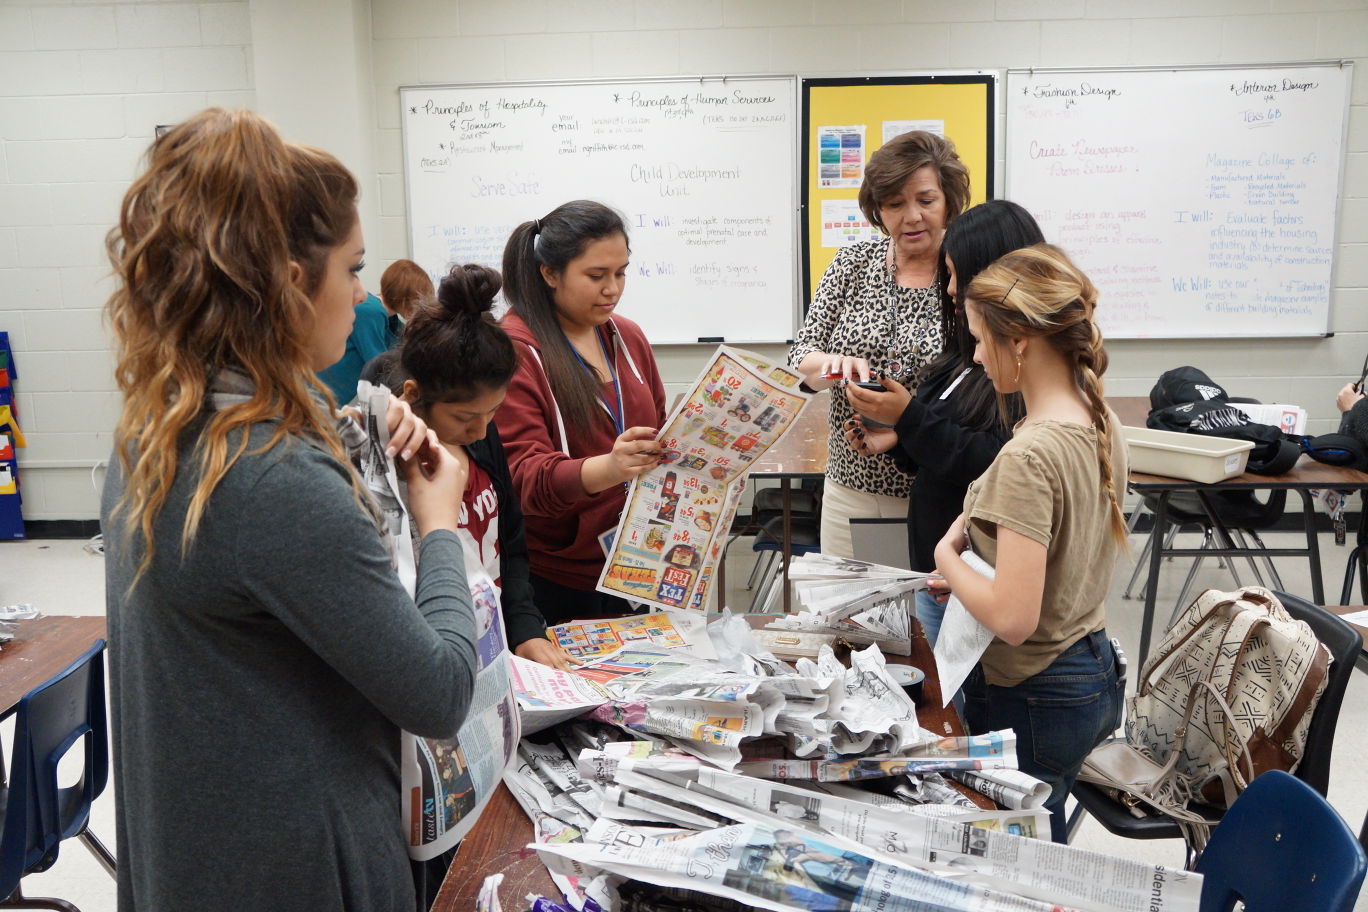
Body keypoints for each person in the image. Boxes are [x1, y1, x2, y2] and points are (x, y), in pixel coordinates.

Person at [101, 108, 479, 911]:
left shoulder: (159, 427)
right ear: (289, 284)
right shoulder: (272, 476)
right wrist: (436, 518)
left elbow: (255, 575)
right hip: (300, 864)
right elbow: (440, 692)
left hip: (205, 848)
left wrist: (354, 441)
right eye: (352, 269)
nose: (360, 294)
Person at [930, 243, 1126, 844]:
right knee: (1044, 835)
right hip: (1089, 667)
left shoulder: (1030, 455)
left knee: (1011, 860)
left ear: (1019, 342)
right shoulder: (1098, 418)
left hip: (1036, 691)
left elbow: (1014, 618)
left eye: (983, 340)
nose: (980, 358)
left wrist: (948, 559)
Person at [844, 200, 1042, 645]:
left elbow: (994, 464)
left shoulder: (1015, 371)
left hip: (974, 583)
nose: (949, 288)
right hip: (938, 579)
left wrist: (910, 418)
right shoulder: (965, 357)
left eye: (955, 274)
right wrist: (898, 437)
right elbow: (944, 449)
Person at [789, 130, 971, 558]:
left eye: (926, 201)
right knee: (850, 618)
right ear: (878, 208)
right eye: (894, 204)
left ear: (948, 199)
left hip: (939, 492)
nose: (911, 217)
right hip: (851, 485)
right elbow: (802, 355)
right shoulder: (853, 262)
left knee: (925, 621)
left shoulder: (965, 272)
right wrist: (834, 364)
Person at [391, 261, 576, 671]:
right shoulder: (392, 462)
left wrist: (526, 627)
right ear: (413, 394)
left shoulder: (481, 436)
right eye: (463, 418)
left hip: (493, 646)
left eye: (492, 412)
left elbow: (511, 539)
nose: (480, 430)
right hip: (436, 656)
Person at [496, 200, 666, 624]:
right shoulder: (515, 351)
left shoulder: (626, 337)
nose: (613, 289)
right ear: (549, 273)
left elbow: (661, 426)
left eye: (621, 272)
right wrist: (609, 468)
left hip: (636, 564)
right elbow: (523, 479)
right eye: (596, 276)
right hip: (556, 579)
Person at [360, 258, 436, 386]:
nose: (420, 308)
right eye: (419, 301)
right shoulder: (371, 311)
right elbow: (380, 365)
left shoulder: (392, 319)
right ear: (406, 298)